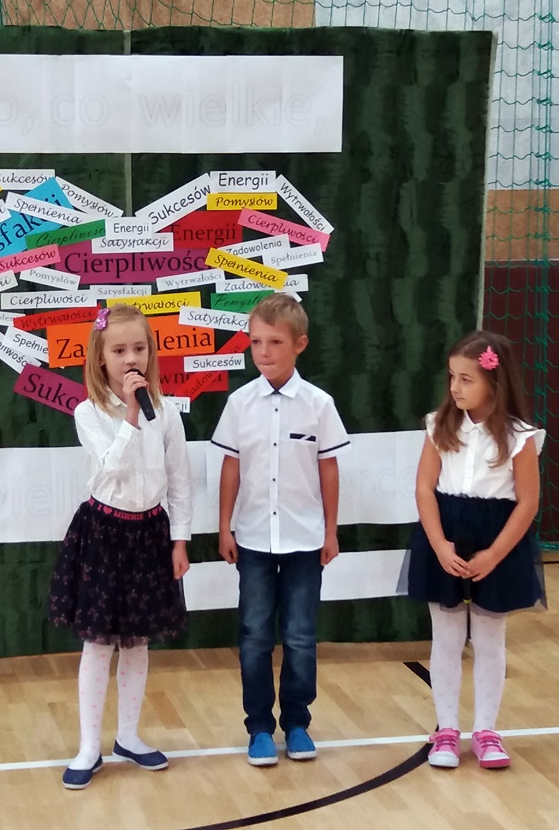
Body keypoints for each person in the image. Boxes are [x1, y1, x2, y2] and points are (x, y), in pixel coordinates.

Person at [49, 303, 192, 789]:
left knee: (138, 642)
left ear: (151, 353)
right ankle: (89, 745)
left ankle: (128, 735)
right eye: (119, 350)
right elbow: (111, 469)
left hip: (150, 534)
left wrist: (179, 540)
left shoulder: (166, 413)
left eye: (139, 348)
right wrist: (131, 414)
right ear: (100, 358)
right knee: (99, 643)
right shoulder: (88, 413)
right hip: (104, 534)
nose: (131, 359)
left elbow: (179, 481)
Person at [212, 294, 350, 767]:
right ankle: (258, 728)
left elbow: (328, 468)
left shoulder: (319, 404)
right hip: (251, 538)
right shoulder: (239, 403)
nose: (264, 352)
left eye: (274, 342)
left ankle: (296, 723)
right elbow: (231, 466)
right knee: (254, 635)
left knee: (300, 636)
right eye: (256, 342)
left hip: (305, 540)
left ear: (300, 344)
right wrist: (224, 527)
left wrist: (330, 531)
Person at [406, 330, 545, 770]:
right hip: (446, 536)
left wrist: (495, 554)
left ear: (494, 381)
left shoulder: (520, 437)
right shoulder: (438, 426)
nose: (455, 387)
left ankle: (486, 730)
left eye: (466, 379)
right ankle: (447, 729)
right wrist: (438, 544)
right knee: (446, 637)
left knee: (489, 638)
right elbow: (424, 489)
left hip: (496, 540)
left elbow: (527, 502)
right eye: (452, 377)